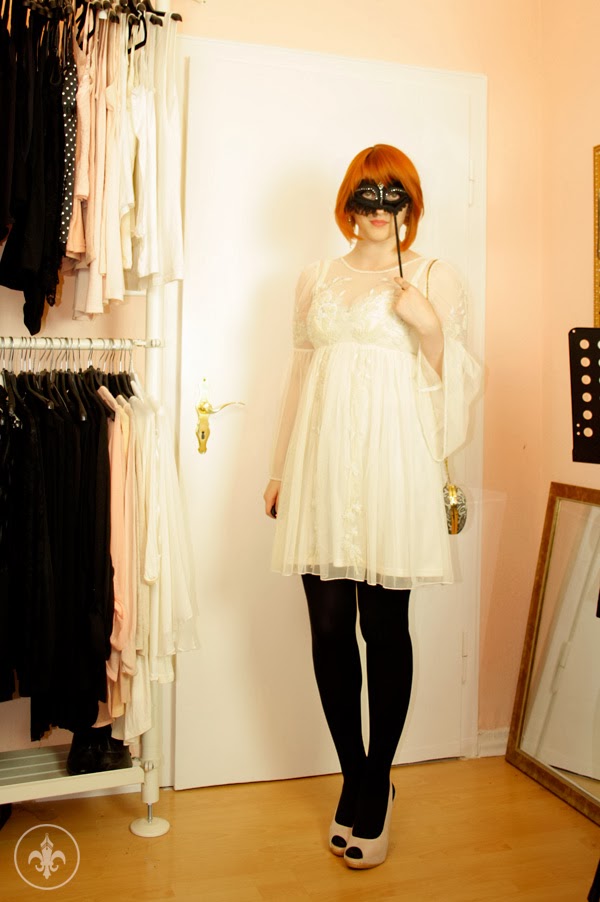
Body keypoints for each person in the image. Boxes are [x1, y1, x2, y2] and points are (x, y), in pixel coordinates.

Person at [263, 144, 481, 869]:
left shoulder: (434, 276)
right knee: (328, 628)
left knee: (384, 628)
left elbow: (459, 383)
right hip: (321, 466)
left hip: (395, 470)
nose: (380, 208)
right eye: (367, 194)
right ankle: (358, 775)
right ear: (348, 203)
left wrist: (430, 328)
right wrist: (279, 469)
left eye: (394, 194)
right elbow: (300, 377)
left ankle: (378, 778)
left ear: (410, 205)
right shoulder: (315, 278)